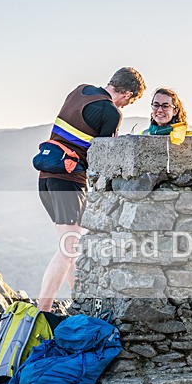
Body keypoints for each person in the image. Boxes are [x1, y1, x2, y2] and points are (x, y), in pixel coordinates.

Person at [37, 67, 146, 312]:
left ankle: (82, 304)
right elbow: (103, 159)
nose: (126, 106)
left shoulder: (80, 91)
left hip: (45, 178)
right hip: (68, 181)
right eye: (130, 101)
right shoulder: (111, 112)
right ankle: (41, 311)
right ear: (127, 93)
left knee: (69, 248)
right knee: (69, 248)